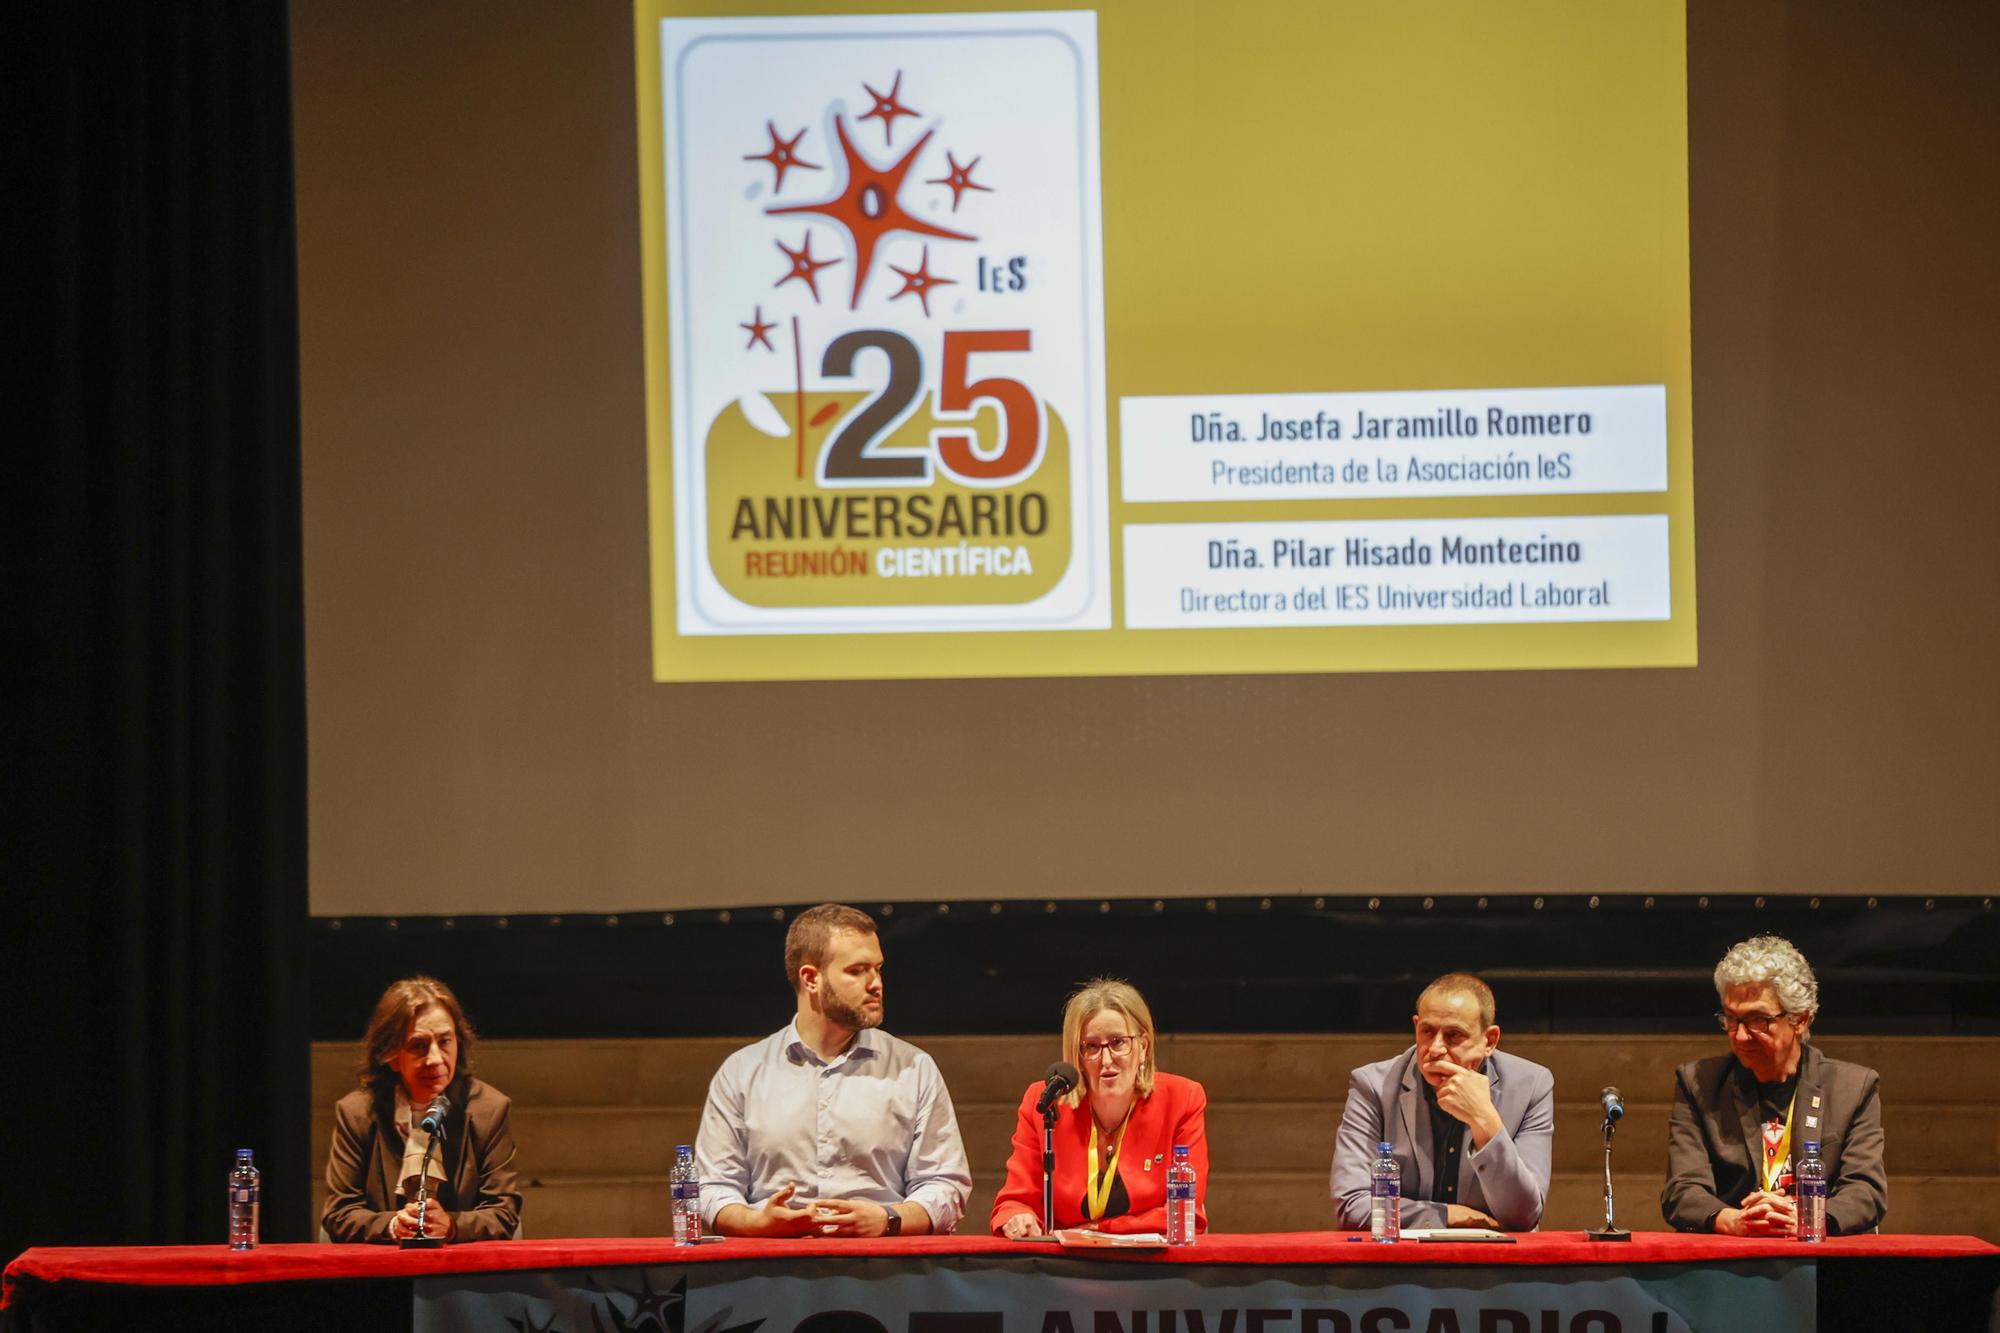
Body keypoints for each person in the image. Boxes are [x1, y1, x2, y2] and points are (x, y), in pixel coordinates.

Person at [695, 903, 971, 1236]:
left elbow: (945, 1186)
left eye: (878, 968)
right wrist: (758, 1223)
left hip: (883, 1269)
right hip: (772, 1269)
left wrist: (887, 1219)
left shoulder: (914, 1069)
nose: (876, 984)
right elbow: (711, 1188)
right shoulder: (742, 1072)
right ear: (811, 978)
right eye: (857, 971)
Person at [1662, 934, 1887, 1235]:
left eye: (1757, 1020)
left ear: (1801, 1020)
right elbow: (1682, 1189)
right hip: (1732, 1261)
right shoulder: (1699, 1084)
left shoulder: (1853, 1087)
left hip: (1820, 1258)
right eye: (1731, 1018)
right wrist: (1732, 1220)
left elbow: (1866, 1190)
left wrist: (1809, 1219)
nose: (1740, 1036)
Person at [1330, 972, 1554, 1231]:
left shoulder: (1530, 1085)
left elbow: (1524, 1216)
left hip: (1494, 1263)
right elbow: (1352, 1205)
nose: (1435, 1048)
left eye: (1453, 1035)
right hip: (1400, 1262)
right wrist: (1446, 1215)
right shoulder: (1373, 1086)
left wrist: (1484, 1120)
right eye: (1427, 1031)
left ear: (1489, 1041)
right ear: (1416, 1026)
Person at [991, 978, 1209, 1237]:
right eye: (1091, 1047)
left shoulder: (1182, 1099)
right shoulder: (1044, 1101)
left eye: (1118, 1042)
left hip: (1154, 1266)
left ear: (1143, 1046)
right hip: (1068, 1268)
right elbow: (1014, 1200)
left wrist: (1099, 1232)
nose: (1106, 1060)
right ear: (1077, 1057)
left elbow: (1185, 1213)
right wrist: (1019, 1217)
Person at [322, 975, 522, 1242]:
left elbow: (504, 1213)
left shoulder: (490, 1109)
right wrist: (393, 1225)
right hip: (383, 1273)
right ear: (391, 1055)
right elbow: (338, 1213)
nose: (435, 1059)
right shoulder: (356, 1112)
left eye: (444, 1041)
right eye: (419, 1046)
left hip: (460, 1274)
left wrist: (451, 1225)